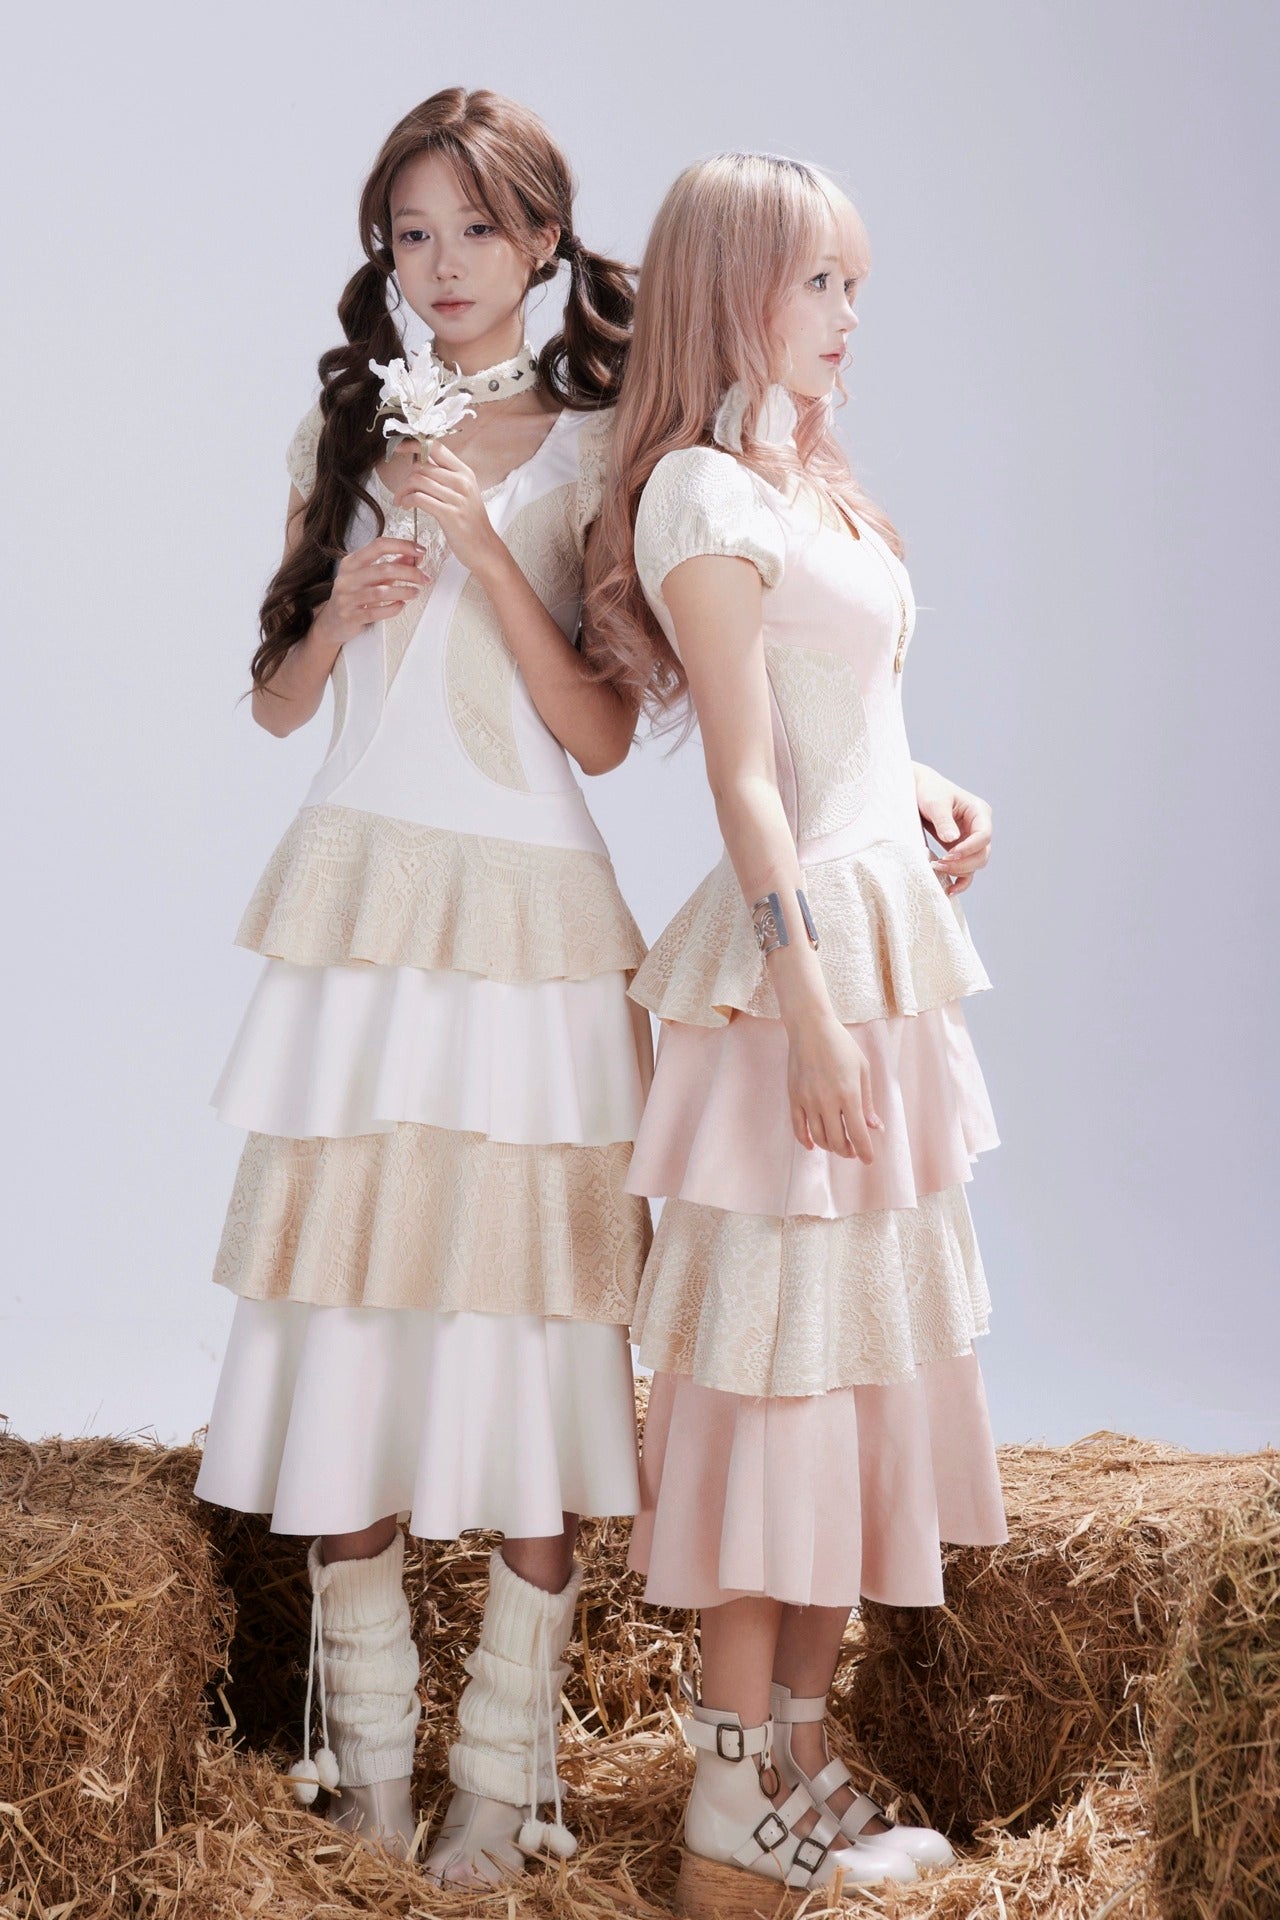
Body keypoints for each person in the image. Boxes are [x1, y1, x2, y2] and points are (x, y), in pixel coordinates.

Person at [193, 88, 653, 1885]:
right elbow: (275, 708)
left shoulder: (600, 445)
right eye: (410, 234)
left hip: (529, 922)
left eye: (475, 230)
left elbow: (602, 735)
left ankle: (503, 1778)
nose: (442, 266)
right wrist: (342, 610)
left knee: (533, 1319)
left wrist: (482, 552)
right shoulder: (345, 426)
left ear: (542, 242)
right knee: (354, 1315)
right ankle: (369, 1773)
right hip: (365, 912)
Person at [589, 151, 1009, 1912]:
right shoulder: (699, 492)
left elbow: (837, 720)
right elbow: (745, 782)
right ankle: (729, 1800)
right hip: (805, 974)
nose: (848, 317)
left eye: (856, 286)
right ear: (730, 288)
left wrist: (923, 782)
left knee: (856, 1376)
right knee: (773, 1384)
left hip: (878, 946)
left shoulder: (806, 479)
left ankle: (804, 1769)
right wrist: (813, 1008)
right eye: (819, 282)